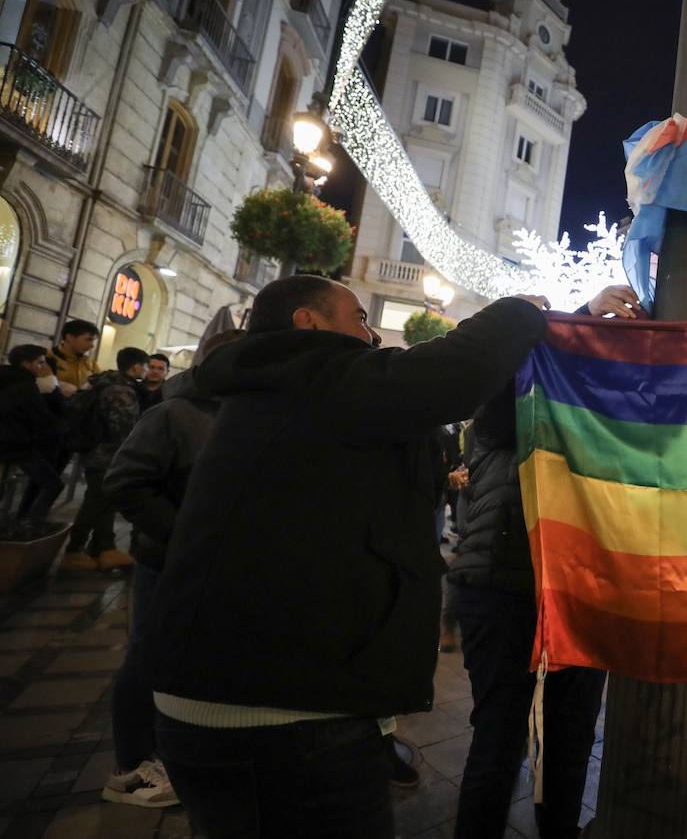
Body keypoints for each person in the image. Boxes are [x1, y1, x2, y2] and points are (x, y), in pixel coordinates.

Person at [139, 276, 549, 838]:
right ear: (308, 322)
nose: (371, 332)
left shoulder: (275, 388)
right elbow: (450, 372)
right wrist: (520, 310)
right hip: (282, 713)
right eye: (358, 317)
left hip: (234, 699)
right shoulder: (313, 375)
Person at [447, 285, 636, 839]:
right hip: (504, 584)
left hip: (579, 589)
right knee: (499, 742)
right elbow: (508, 409)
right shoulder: (507, 395)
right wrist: (574, 318)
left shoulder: (600, 418)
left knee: (571, 743)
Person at [102, 331, 244, 808]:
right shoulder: (175, 413)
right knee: (149, 655)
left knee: (190, 658)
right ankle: (131, 767)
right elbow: (125, 482)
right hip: (169, 562)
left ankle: (176, 752)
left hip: (217, 566)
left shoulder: (239, 411)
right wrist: (186, 536)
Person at [61, 347, 147, 572]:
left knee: (106, 502)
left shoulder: (105, 383)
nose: (146, 370)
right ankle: (73, 550)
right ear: (136, 366)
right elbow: (122, 429)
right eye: (146, 365)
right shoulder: (121, 391)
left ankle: (106, 549)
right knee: (95, 503)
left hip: (98, 454)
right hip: (108, 456)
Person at [0, 344, 64, 532]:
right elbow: (41, 417)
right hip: (18, 444)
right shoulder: (25, 386)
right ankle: (33, 523)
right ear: (27, 364)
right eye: (40, 362)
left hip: (8, 443)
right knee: (53, 484)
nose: (43, 367)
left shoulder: (5, 378)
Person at [48, 318, 100, 394]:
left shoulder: (90, 363)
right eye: (88, 340)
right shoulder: (47, 358)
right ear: (70, 337)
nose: (92, 345)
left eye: (93, 341)